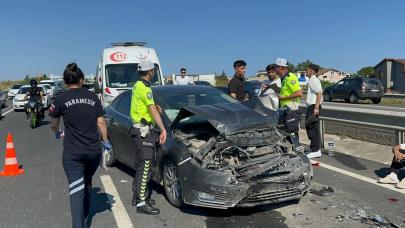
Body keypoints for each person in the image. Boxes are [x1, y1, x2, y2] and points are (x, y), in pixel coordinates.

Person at [49, 63, 111, 228]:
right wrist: (105, 142)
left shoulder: (60, 98)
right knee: (87, 179)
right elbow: (101, 122)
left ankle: (79, 223)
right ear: (82, 80)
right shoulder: (92, 97)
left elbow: (54, 124)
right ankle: (85, 213)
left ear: (65, 81)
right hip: (93, 152)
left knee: (76, 190)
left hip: (73, 154)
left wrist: (57, 131)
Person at [130, 58, 167, 215]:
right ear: (150, 71)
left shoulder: (138, 85)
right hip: (143, 131)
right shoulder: (144, 88)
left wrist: (153, 107)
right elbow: (151, 109)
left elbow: (147, 107)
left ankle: (138, 196)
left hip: (139, 130)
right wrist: (163, 129)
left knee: (141, 166)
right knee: (145, 166)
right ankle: (141, 203)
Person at [275, 57, 303, 151]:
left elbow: (299, 93)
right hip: (286, 110)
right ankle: (290, 153)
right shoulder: (283, 79)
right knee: (286, 134)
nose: (275, 69)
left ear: (280, 67)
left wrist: (283, 97)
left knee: (292, 134)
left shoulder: (290, 77)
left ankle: (297, 155)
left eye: (276, 67)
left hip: (292, 110)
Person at [305, 64, 323, 158]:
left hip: (313, 107)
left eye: (307, 70)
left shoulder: (313, 80)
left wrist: (316, 107)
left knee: (312, 128)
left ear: (311, 71)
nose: (306, 71)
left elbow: (319, 93)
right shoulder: (312, 80)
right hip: (312, 106)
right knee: (311, 127)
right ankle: (314, 149)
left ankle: (316, 150)